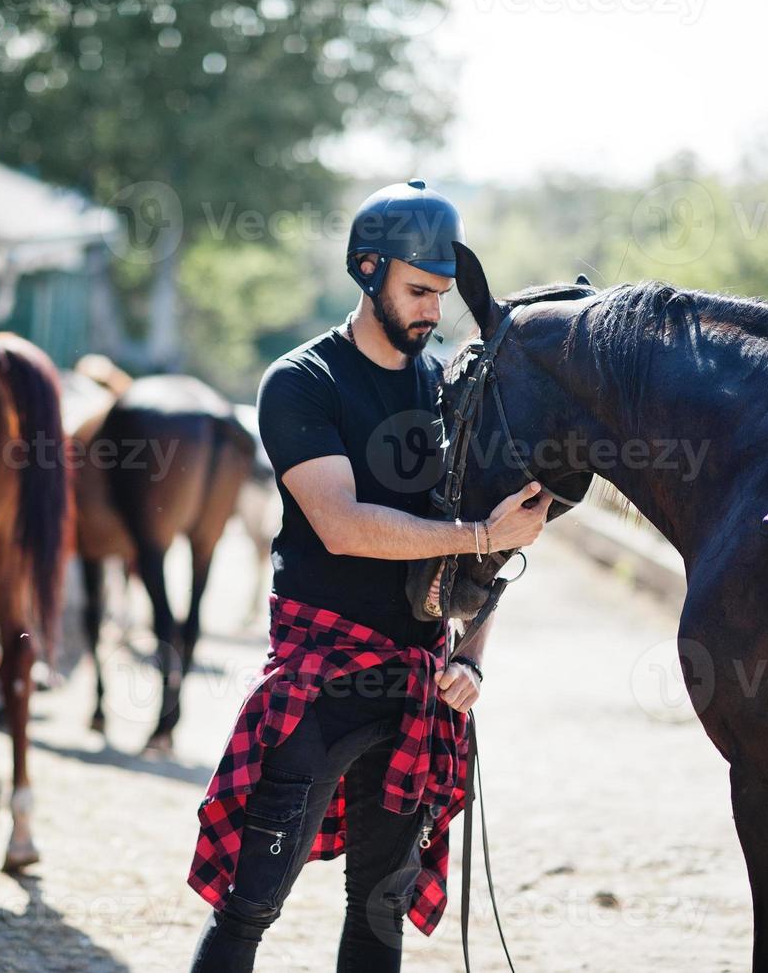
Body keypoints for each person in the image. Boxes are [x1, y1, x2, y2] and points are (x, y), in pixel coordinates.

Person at [186, 180, 550, 972]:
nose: (431, 310)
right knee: (248, 907)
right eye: (417, 291)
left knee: (379, 913)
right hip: (320, 680)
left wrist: (472, 655)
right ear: (365, 270)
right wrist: (480, 530)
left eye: (441, 295)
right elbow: (341, 525)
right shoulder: (301, 381)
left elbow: (492, 551)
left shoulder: (451, 390)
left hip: (417, 683)